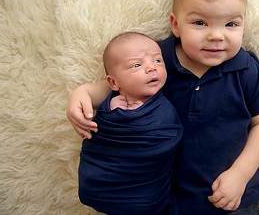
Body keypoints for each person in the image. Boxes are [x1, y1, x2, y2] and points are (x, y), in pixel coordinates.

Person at [68, 0, 259, 214]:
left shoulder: (245, 69)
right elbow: (117, 84)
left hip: (231, 197)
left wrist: (241, 174)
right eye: (200, 23)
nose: (216, 35)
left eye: (231, 24)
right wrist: (84, 93)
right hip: (167, 197)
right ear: (176, 24)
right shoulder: (158, 60)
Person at [78, 32, 183, 215]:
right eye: (137, 65)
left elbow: (170, 138)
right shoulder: (109, 104)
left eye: (158, 61)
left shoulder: (164, 108)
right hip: (105, 182)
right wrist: (113, 111)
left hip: (146, 192)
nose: (152, 68)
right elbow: (99, 137)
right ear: (113, 82)